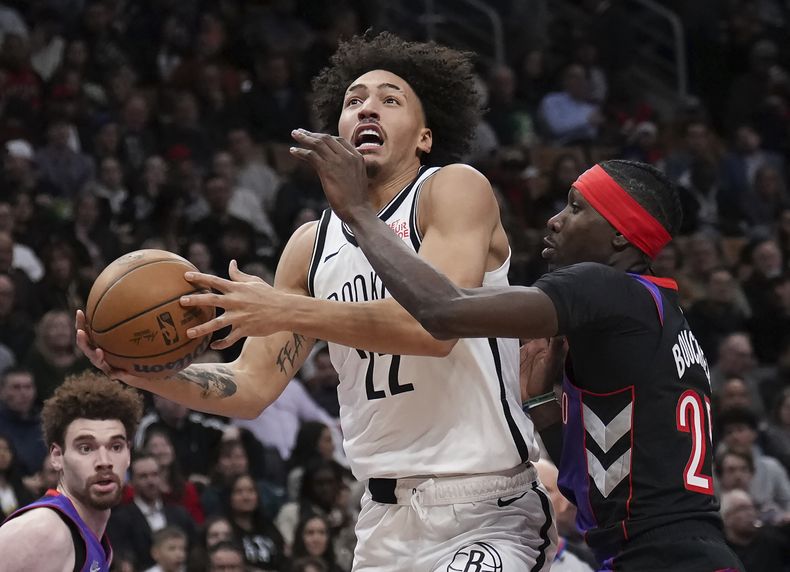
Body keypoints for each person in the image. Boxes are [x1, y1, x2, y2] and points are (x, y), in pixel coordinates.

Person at [77, 32, 555, 571]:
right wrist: (141, 370)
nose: (367, 106)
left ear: (424, 137)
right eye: (354, 101)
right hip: (383, 522)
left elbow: (434, 328)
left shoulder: (452, 189)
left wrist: (287, 305)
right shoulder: (310, 246)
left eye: (390, 99)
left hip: (484, 508)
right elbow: (253, 386)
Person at [304, 150, 746, 571]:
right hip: (676, 551)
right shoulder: (664, 313)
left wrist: (359, 212)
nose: (554, 221)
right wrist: (540, 405)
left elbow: (441, 310)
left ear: (618, 234)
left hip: (665, 557)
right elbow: (587, 485)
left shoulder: (604, 288)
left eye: (575, 208)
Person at [0, 372, 143, 571]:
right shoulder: (44, 531)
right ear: (57, 457)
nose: (104, 462)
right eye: (86, 448)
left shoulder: (91, 536)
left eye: (115, 447)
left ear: (128, 453)